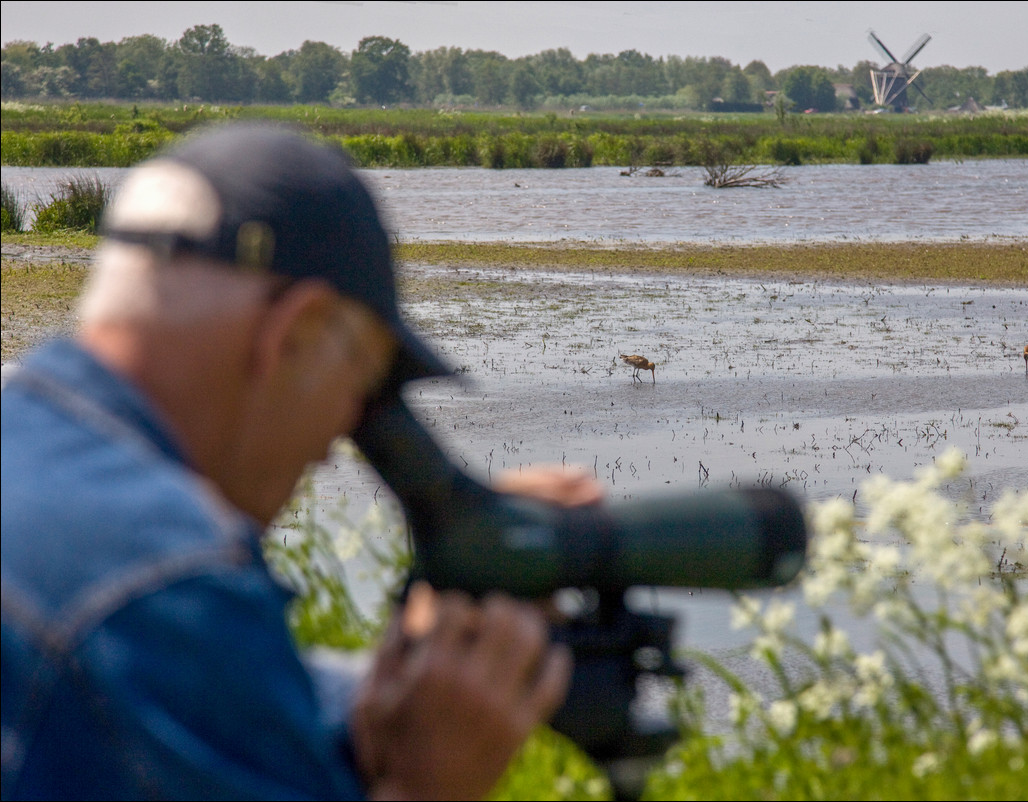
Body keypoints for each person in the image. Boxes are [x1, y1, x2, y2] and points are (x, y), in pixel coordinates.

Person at [1, 123, 602, 800]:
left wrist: (377, 696)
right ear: (296, 332)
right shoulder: (163, 582)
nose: (342, 433)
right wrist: (429, 783)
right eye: (364, 383)